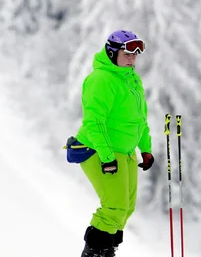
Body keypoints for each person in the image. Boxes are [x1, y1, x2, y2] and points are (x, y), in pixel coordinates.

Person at [65, 30, 155, 257]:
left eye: (135, 54)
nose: (132, 58)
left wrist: (145, 149)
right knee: (113, 207)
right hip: (100, 150)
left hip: (125, 152)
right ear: (112, 52)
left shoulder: (131, 79)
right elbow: (95, 122)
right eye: (127, 53)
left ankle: (106, 251)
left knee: (126, 209)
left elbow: (139, 120)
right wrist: (106, 157)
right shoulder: (101, 79)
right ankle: (94, 254)